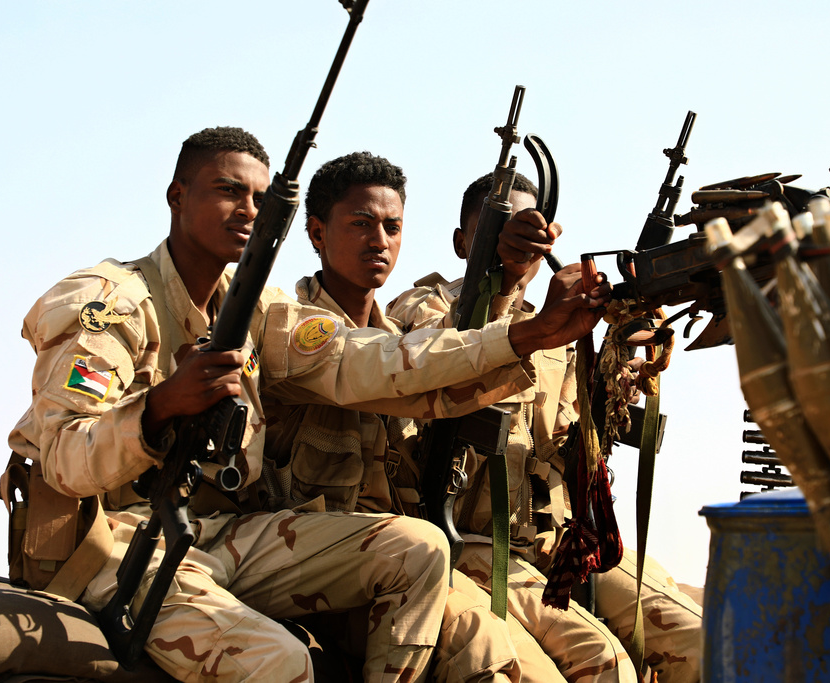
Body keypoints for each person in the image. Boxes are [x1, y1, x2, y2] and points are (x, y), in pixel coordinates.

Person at [4, 127, 455, 683]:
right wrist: (160, 406)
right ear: (177, 197)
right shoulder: (112, 303)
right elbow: (63, 458)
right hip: (116, 541)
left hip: (219, 531)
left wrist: (520, 339)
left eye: (261, 201)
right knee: (279, 662)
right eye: (228, 191)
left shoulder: (255, 306)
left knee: (418, 548)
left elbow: (361, 358)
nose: (247, 211)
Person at [258, 151, 614, 682]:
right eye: (359, 224)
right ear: (315, 232)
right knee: (503, 664)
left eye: (392, 227)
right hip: (322, 562)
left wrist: (616, 359)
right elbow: (416, 360)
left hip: (409, 556)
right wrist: (510, 301)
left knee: (600, 661)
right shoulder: (296, 328)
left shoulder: (395, 335)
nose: (378, 241)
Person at [387, 171, 704, 683]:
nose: (520, 248)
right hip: (466, 542)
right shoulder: (424, 308)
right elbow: (438, 359)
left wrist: (620, 359)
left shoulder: (557, 329)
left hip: (554, 543)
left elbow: (577, 442)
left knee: (700, 639)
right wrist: (507, 287)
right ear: (462, 241)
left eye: (533, 236)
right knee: (605, 666)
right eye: (502, 231)